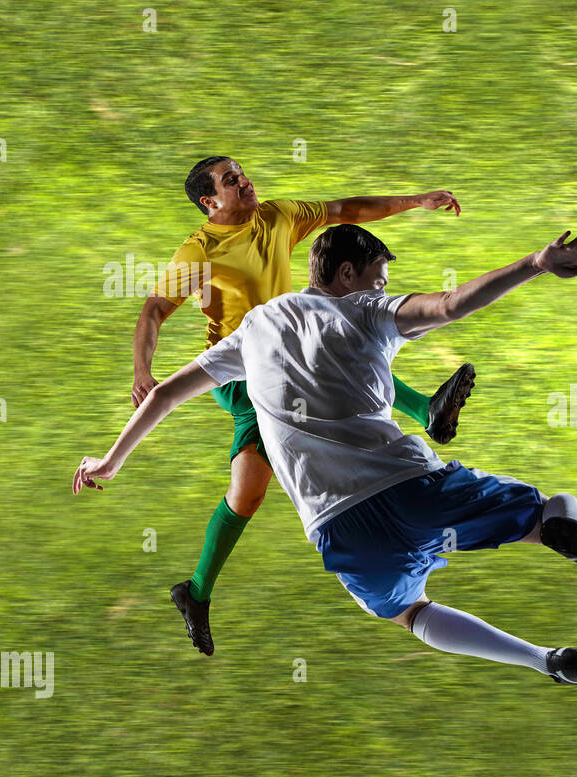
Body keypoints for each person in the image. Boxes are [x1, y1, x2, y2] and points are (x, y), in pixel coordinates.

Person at [77, 225, 577, 687]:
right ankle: (559, 531)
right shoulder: (368, 309)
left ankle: (547, 662)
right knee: (553, 510)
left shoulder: (253, 328)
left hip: (337, 529)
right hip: (408, 487)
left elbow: (164, 394)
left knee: (411, 612)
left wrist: (111, 460)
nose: (384, 286)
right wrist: (536, 264)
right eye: (380, 277)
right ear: (348, 274)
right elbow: (449, 305)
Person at [135, 156, 476, 651]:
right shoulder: (198, 254)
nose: (245, 181)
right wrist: (142, 372)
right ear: (210, 202)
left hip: (288, 342)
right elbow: (153, 310)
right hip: (240, 368)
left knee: (335, 344)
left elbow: (346, 208)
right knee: (251, 489)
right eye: (231, 181)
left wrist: (416, 200)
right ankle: (196, 592)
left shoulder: (278, 216)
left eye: (243, 172)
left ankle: (427, 412)